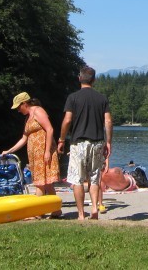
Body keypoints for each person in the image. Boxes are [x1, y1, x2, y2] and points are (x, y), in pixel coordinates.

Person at [58, 66, 113, 221]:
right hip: (97, 142)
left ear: (79, 78)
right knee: (95, 177)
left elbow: (68, 120)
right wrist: (108, 142)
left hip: (79, 142)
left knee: (77, 179)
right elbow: (108, 121)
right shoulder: (102, 98)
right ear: (93, 80)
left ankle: (81, 214)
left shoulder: (73, 98)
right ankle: (95, 208)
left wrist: (61, 139)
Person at [2, 92, 61, 206]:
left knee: (40, 184)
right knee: (47, 183)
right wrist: (9, 151)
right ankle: (56, 209)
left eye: (19, 107)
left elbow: (50, 129)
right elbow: (24, 139)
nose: (18, 110)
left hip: (44, 152)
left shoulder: (38, 111)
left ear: (24, 104)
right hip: (35, 154)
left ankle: (36, 212)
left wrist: (47, 151)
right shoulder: (28, 118)